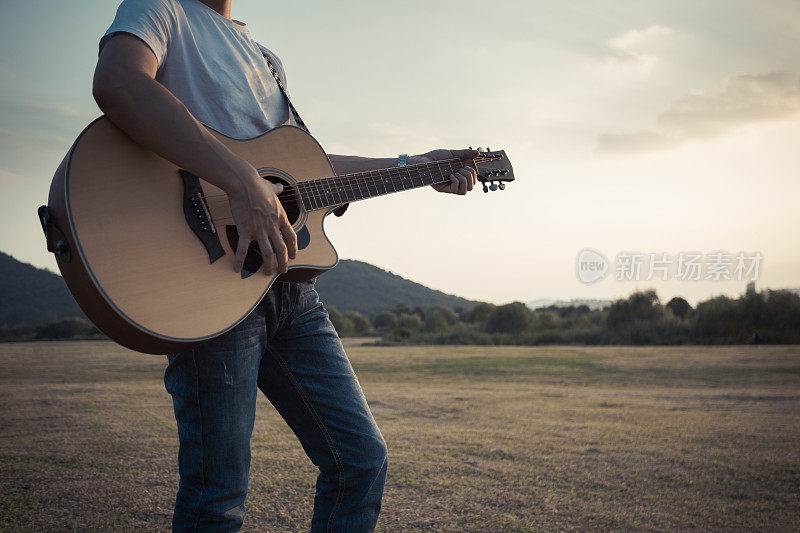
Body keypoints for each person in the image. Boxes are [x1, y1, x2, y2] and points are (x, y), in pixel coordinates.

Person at [92, 0, 478, 531]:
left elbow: (305, 172)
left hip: (291, 290)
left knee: (360, 461)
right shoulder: (163, 9)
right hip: (211, 282)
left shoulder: (264, 58)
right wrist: (242, 181)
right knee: (216, 498)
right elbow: (118, 83)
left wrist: (418, 166)